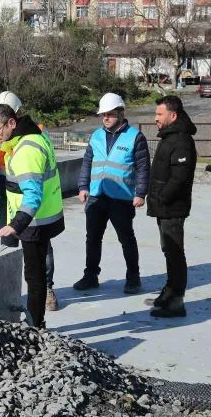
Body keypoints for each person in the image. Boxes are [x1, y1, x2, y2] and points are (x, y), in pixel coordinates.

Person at [0, 104, 64, 329]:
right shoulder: (33, 138)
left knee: (34, 276)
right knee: (37, 273)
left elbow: (32, 195)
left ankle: (35, 325)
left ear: (12, 123)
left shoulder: (26, 150)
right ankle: (36, 321)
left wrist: (16, 225)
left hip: (34, 222)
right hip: (44, 218)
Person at [73, 93, 151, 294]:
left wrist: (140, 193)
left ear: (121, 112)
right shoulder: (96, 136)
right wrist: (83, 186)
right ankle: (91, 275)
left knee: (126, 238)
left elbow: (143, 168)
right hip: (97, 196)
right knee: (92, 239)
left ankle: (133, 277)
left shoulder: (135, 137)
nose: (105, 118)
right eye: (103, 114)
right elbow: (87, 162)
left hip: (122, 198)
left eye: (109, 114)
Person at [147, 95, 197, 318]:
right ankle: (169, 291)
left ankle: (177, 301)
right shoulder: (170, 137)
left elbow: (179, 178)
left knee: (175, 252)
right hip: (164, 206)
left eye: (159, 114)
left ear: (173, 115)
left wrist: (162, 198)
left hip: (172, 207)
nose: (155, 118)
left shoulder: (182, 141)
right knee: (169, 250)